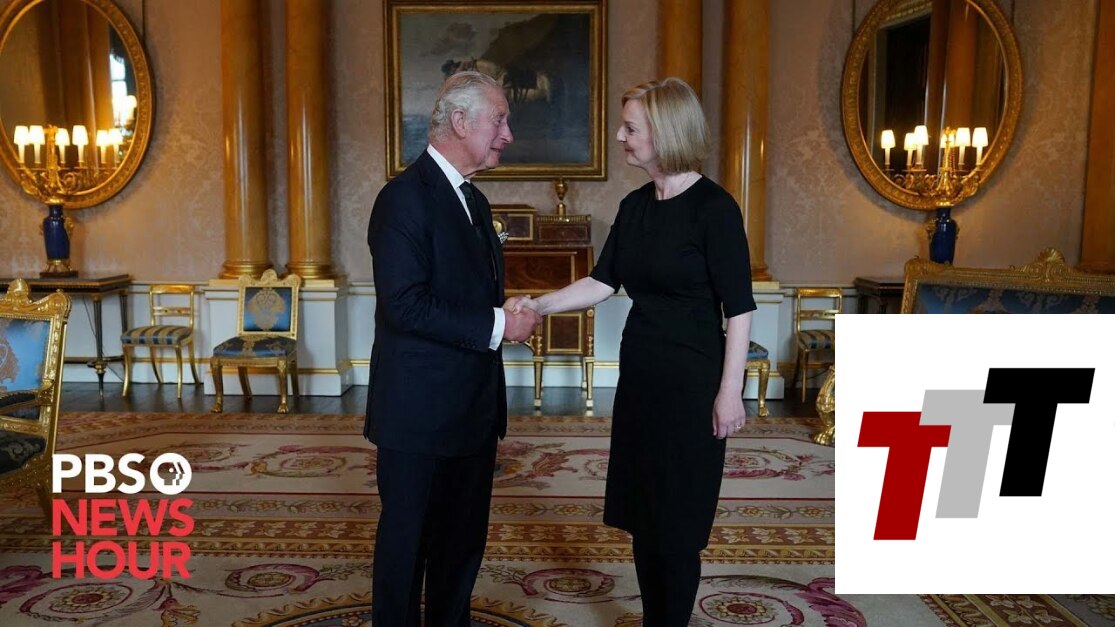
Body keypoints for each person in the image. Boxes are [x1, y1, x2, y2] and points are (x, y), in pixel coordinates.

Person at [509, 77, 756, 626]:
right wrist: (537, 305)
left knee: (678, 523)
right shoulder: (635, 205)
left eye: (630, 128)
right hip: (642, 378)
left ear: (664, 132)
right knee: (645, 516)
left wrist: (729, 392)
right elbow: (602, 282)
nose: (620, 137)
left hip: (693, 384)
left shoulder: (714, 209)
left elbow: (739, 309)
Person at [366, 71, 542, 626]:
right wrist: (499, 324)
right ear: (460, 122)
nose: (508, 134)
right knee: (406, 550)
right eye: (500, 120)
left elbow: (462, 293)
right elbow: (405, 305)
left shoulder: (476, 200)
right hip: (417, 415)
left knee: (461, 547)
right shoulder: (402, 199)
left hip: (472, 410)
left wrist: (501, 310)